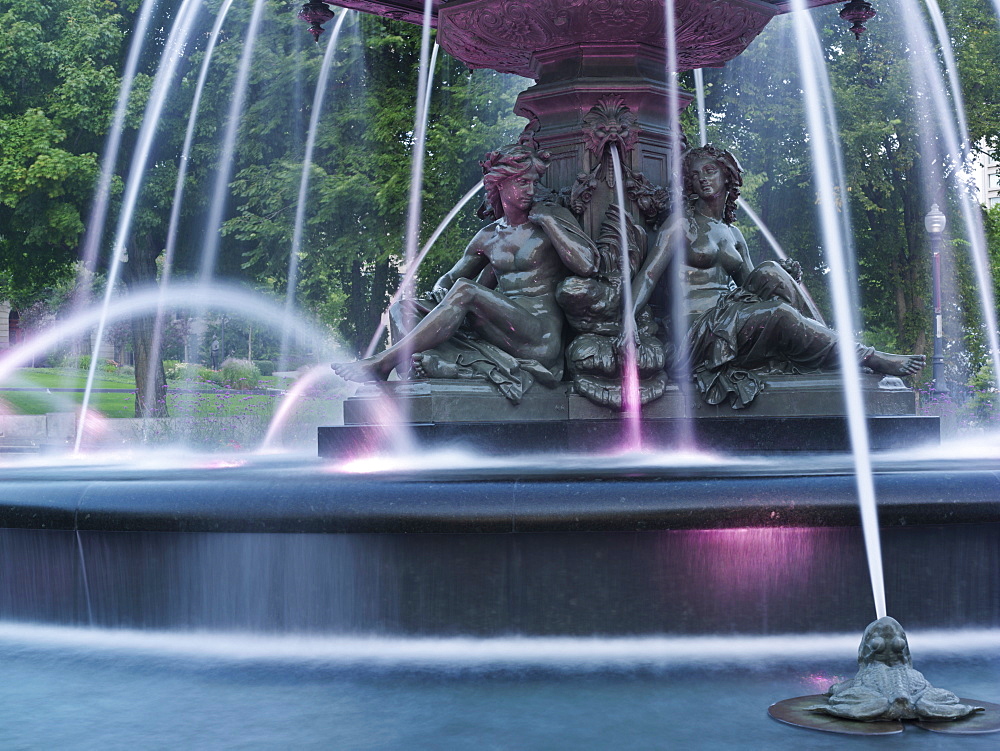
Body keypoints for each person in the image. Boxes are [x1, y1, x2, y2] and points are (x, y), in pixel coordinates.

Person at [631, 144, 925, 408]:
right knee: (779, 313)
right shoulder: (682, 224)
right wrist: (627, 321)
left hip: (729, 321)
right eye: (695, 175)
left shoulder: (733, 234)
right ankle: (865, 356)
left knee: (771, 269)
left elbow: (753, 283)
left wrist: (785, 273)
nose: (703, 179)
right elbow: (648, 276)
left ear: (727, 176)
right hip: (697, 333)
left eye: (710, 171)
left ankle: (831, 349)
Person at [333, 141, 599, 401]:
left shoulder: (552, 218)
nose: (531, 190)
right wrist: (440, 298)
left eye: (533, 182)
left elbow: (587, 265)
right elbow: (447, 280)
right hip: (500, 331)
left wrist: (550, 222)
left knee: (466, 290)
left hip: (539, 336)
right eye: (522, 182)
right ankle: (430, 366)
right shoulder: (488, 237)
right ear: (500, 184)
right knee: (401, 308)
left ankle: (383, 362)